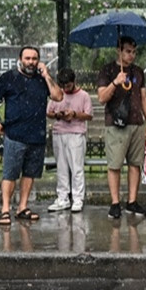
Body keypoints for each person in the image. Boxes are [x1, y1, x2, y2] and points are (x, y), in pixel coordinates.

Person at [0, 46, 63, 225]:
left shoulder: (42, 79)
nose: (31, 62)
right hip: (14, 135)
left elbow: (58, 97)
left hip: (37, 136)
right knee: (10, 174)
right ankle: (5, 209)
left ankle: (22, 207)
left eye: (34, 58)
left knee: (30, 174)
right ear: (20, 59)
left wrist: (46, 75)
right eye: (27, 58)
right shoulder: (9, 78)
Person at [96, 35, 146, 220]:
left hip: (136, 122)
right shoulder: (108, 70)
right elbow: (101, 98)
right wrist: (115, 82)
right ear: (119, 51)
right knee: (115, 164)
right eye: (128, 51)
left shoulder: (138, 72)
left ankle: (132, 201)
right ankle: (115, 203)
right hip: (116, 123)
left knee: (135, 163)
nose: (132, 55)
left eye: (134, 52)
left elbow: (144, 97)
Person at [46, 68, 93, 213]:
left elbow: (89, 115)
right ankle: (63, 197)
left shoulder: (84, 95)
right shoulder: (57, 95)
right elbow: (49, 112)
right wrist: (58, 115)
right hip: (59, 132)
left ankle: (78, 198)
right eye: (63, 86)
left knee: (76, 167)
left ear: (74, 82)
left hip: (76, 133)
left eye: (68, 85)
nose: (66, 89)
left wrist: (74, 114)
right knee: (61, 167)